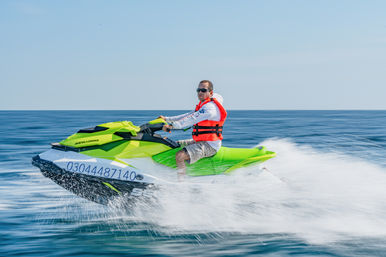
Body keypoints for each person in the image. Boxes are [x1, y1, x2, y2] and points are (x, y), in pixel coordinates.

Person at [159, 80, 227, 177]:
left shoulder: (210, 108)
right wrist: (167, 119)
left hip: (210, 145)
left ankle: (181, 184)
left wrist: (172, 126)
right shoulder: (203, 105)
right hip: (201, 140)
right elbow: (188, 115)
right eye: (198, 90)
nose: (200, 93)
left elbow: (191, 119)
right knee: (170, 144)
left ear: (210, 93)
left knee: (180, 156)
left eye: (203, 90)